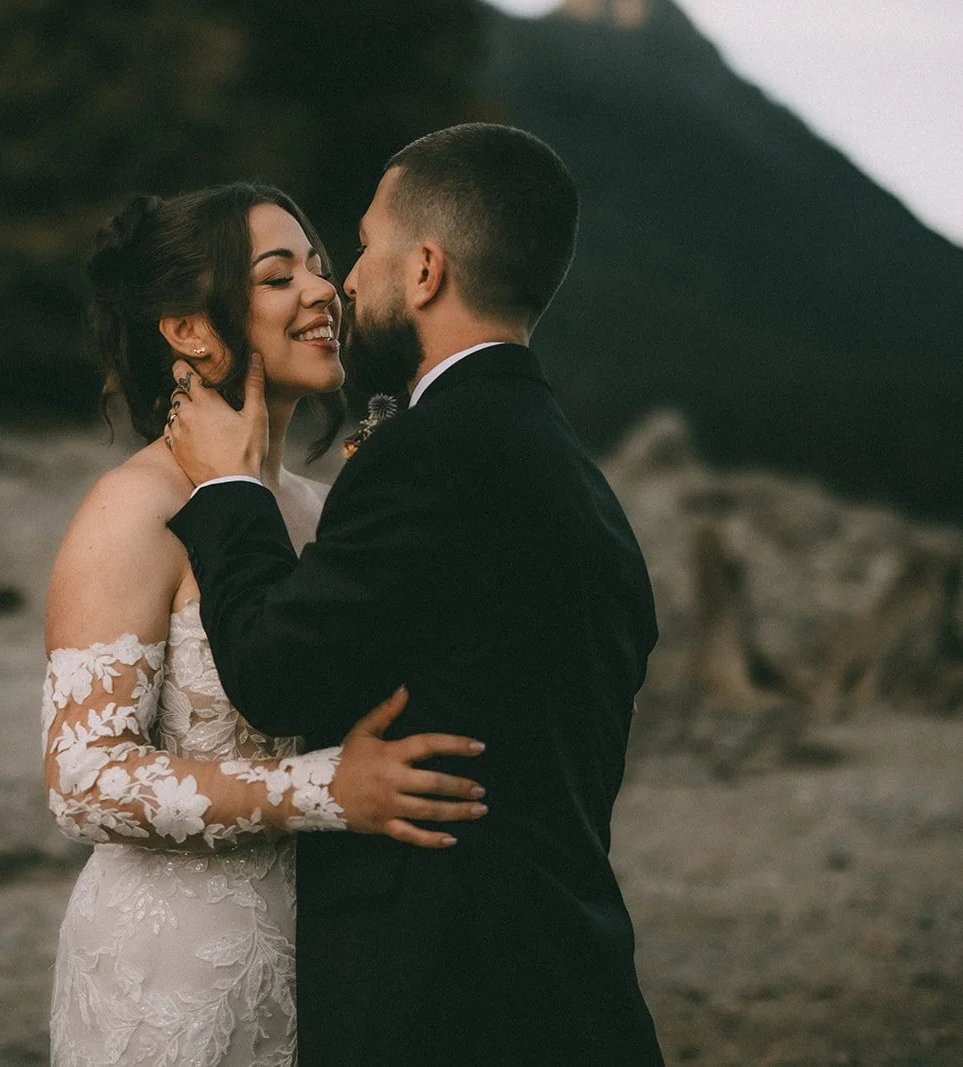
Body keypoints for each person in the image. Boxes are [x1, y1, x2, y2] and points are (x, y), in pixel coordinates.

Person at [164, 124, 665, 1065]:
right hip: (572, 973)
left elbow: (274, 671)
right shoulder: (581, 480)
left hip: (446, 997)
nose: (344, 283)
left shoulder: (432, 453)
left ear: (425, 269)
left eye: (362, 246)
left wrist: (229, 491)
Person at [43, 183, 489, 1067]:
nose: (324, 291)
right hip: (174, 972)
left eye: (322, 268)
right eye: (280, 276)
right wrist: (328, 792)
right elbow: (82, 779)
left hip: (328, 957)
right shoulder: (135, 510)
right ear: (189, 329)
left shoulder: (327, 511)